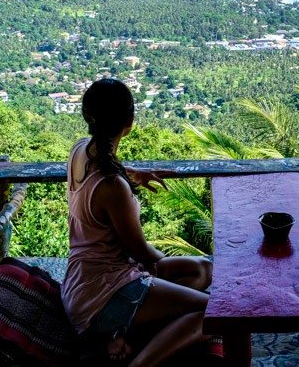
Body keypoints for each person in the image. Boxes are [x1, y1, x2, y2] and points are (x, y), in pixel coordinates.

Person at [61, 78, 213, 366]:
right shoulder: (112, 186)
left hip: (80, 283)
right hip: (102, 298)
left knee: (202, 270)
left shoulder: (79, 150)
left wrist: (133, 174)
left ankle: (120, 336)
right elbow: (143, 255)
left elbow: (104, 168)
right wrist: (165, 264)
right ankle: (140, 362)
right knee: (213, 312)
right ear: (129, 122)